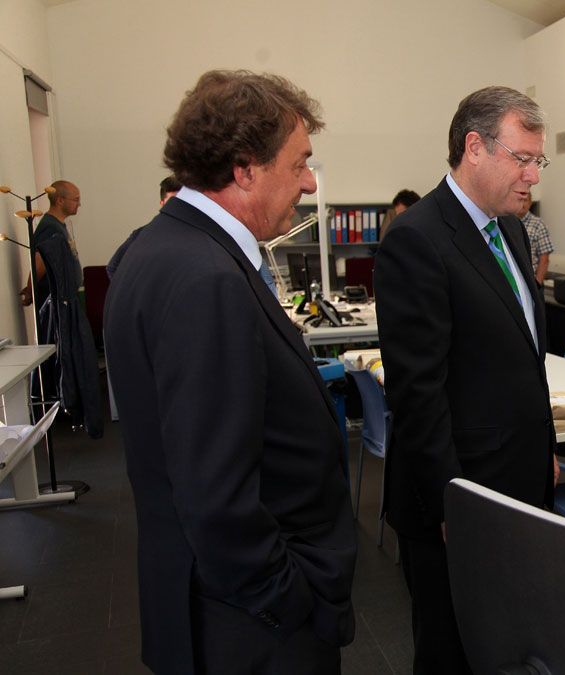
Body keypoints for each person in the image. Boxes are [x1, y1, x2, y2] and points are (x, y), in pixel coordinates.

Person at [104, 70, 357, 674]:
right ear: (245, 168)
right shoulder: (207, 279)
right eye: (299, 164)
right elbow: (215, 491)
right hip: (250, 626)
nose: (308, 182)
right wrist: (288, 598)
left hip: (207, 603)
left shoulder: (156, 248)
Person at [374, 85, 557, 675]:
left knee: (508, 643)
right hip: (461, 494)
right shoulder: (418, 239)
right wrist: (454, 498)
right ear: (474, 147)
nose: (533, 175)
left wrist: (543, 445)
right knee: (453, 651)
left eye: (539, 161)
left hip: (517, 478)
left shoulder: (513, 229)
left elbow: (524, 356)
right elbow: (417, 393)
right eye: (522, 159)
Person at [19, 179, 103, 437]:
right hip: (57, 308)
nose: (79, 203)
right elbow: (40, 263)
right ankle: (64, 409)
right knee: (62, 359)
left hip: (66, 303)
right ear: (59, 200)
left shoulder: (58, 226)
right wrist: (30, 290)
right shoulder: (49, 228)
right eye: (75, 199)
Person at [107, 176, 183, 278]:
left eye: (182, 202)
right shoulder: (141, 234)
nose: (177, 207)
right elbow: (113, 267)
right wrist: (131, 293)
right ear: (162, 204)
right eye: (172, 202)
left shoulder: (197, 235)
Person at [518, 192, 553, 286]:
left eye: (525, 200)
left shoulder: (538, 224)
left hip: (532, 282)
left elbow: (544, 259)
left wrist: (537, 284)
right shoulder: (505, 223)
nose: (522, 203)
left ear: (530, 203)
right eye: (520, 199)